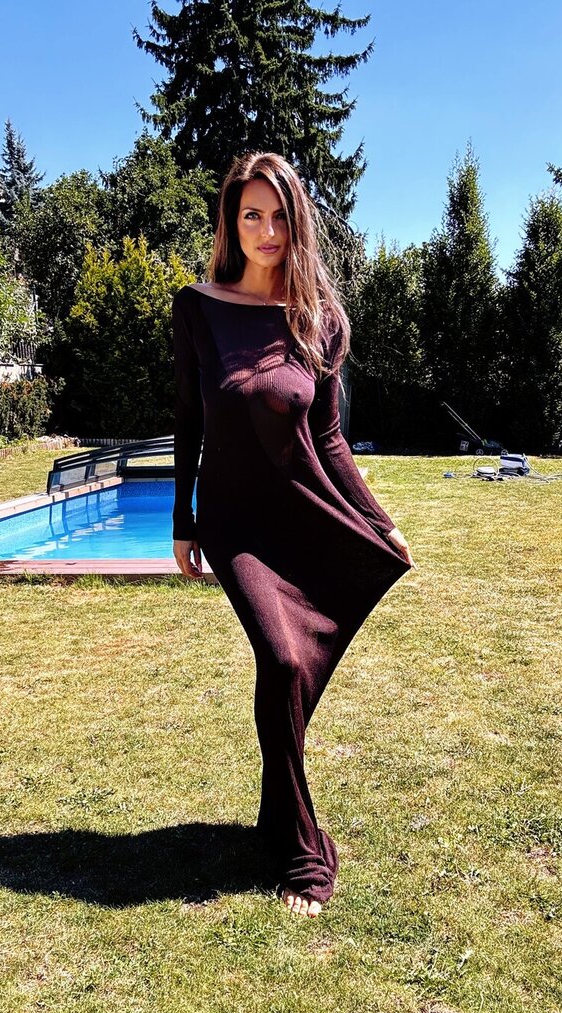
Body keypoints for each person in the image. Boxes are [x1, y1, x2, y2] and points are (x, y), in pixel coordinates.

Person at [172, 151, 416, 918]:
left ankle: (277, 815)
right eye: (252, 215)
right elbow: (188, 419)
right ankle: (306, 855)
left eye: (279, 217)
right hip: (235, 523)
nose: (267, 231)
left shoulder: (320, 319)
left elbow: (330, 440)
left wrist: (379, 522)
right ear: (231, 223)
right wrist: (183, 520)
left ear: (297, 224)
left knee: (292, 678)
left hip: (303, 514)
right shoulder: (198, 307)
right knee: (282, 661)